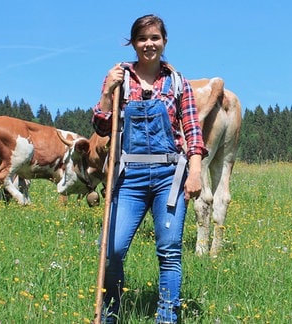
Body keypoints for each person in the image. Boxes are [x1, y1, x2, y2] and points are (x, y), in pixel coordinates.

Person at [91, 14, 207, 324]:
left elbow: (193, 131)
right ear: (133, 43)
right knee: (112, 250)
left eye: (155, 38)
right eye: (142, 38)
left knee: (169, 251)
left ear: (164, 42)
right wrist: (107, 93)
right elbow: (102, 127)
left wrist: (194, 170)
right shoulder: (120, 78)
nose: (149, 44)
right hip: (130, 177)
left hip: (170, 177)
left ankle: (167, 317)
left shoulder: (177, 82)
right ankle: (110, 314)